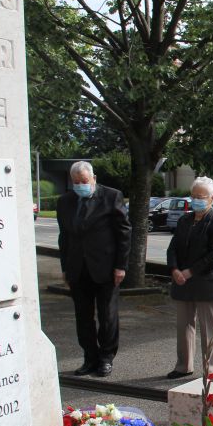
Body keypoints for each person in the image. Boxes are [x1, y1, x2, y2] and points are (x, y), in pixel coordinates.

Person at [57, 161, 132, 377]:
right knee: (83, 317)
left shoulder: (111, 196)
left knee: (107, 315)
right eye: (76, 182)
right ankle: (90, 358)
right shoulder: (65, 202)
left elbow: (124, 233)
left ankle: (106, 358)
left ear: (94, 179)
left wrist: (121, 265)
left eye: (84, 181)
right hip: (77, 269)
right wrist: (65, 267)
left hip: (106, 268)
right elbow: (64, 237)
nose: (80, 185)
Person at [165, 177, 213, 380]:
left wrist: (190, 272)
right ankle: (183, 365)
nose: (196, 201)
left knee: (209, 328)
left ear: (212, 198)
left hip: (206, 281)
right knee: (184, 326)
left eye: (200, 197)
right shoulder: (185, 219)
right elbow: (173, 247)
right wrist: (174, 269)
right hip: (182, 281)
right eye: (193, 196)